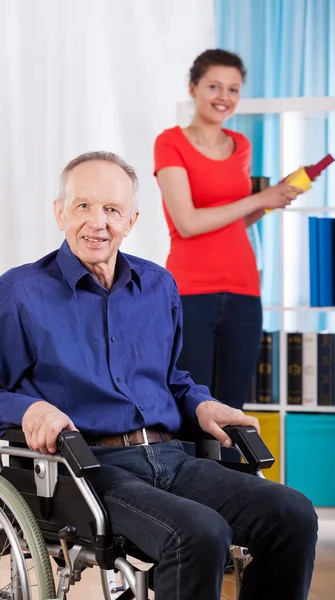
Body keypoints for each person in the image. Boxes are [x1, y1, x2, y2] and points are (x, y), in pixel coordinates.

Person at [0, 152, 316, 600]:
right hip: (89, 472)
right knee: (199, 533)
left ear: (132, 220)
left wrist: (201, 403)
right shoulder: (18, 294)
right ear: (59, 212)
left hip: (171, 457)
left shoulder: (158, 286)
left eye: (112, 210)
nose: (97, 222)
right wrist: (29, 409)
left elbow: (171, 379)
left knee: (292, 513)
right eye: (83, 206)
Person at [154, 49, 301, 411]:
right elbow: (187, 223)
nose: (224, 97)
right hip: (191, 291)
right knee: (193, 408)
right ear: (193, 88)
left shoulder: (241, 146)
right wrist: (256, 199)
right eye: (214, 86)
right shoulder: (170, 142)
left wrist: (269, 200)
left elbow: (233, 220)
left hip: (244, 290)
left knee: (233, 411)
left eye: (233, 89)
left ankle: (232, 472)